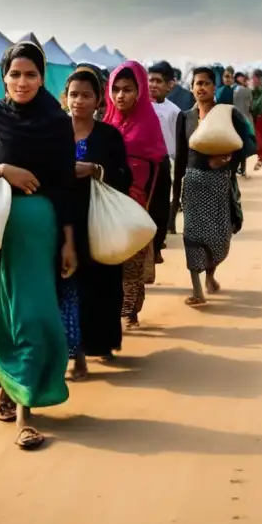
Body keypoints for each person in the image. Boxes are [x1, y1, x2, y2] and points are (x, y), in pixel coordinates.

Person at [0, 42, 77, 450]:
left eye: (31, 74)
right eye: (15, 74)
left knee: (33, 315)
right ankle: (6, 386)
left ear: (43, 77)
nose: (22, 82)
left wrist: (69, 242)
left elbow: (64, 187)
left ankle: (26, 410)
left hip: (38, 230)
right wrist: (1, 170)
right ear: (3, 76)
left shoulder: (57, 121)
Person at [63, 68, 131, 378]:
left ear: (98, 100)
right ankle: (74, 352)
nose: (79, 101)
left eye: (86, 95)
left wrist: (96, 170)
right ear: (65, 97)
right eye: (74, 94)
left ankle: (99, 342)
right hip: (62, 220)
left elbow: (124, 177)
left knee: (100, 284)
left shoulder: (108, 135)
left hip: (98, 220)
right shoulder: (53, 132)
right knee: (67, 286)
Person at [172, 66, 256, 307]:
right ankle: (197, 290)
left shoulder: (228, 114)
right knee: (193, 237)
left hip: (219, 183)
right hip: (193, 183)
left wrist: (230, 161)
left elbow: (248, 144)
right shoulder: (185, 117)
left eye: (206, 83)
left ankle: (210, 274)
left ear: (214, 87)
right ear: (191, 87)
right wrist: (176, 194)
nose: (201, 88)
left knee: (220, 238)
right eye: (197, 83)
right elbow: (180, 157)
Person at [103, 60, 167, 329]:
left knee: (131, 265)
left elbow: (162, 182)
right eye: (115, 89)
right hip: (105, 207)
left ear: (139, 91)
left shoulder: (150, 126)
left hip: (137, 208)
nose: (120, 95)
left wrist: (159, 228)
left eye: (127, 89)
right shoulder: (104, 125)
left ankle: (130, 312)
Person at [148, 62, 181, 264]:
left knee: (160, 207)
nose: (153, 85)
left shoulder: (174, 112)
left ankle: (158, 245)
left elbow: (176, 144)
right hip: (141, 163)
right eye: (150, 80)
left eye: (158, 81)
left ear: (170, 85)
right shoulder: (139, 106)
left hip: (162, 163)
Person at [232, 72, 254, 175]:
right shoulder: (244, 90)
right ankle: (241, 168)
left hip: (239, 119)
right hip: (241, 119)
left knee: (240, 144)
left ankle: (241, 168)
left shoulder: (235, 90)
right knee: (241, 144)